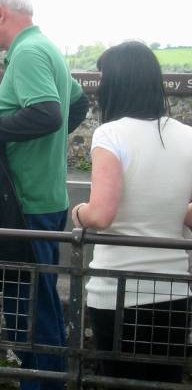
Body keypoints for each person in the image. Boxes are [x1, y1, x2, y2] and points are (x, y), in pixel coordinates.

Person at [0, 0, 88, 390]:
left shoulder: (30, 53)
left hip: (29, 203)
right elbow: (76, 104)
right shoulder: (45, 48)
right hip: (42, 197)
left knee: (31, 315)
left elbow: (50, 115)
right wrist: (41, 148)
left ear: (0, 13)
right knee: (36, 307)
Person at [71, 41, 192, 384]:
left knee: (119, 380)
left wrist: (79, 212)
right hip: (174, 290)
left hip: (117, 291)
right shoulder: (187, 136)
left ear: (115, 84)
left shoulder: (110, 134)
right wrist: (171, 208)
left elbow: (102, 215)